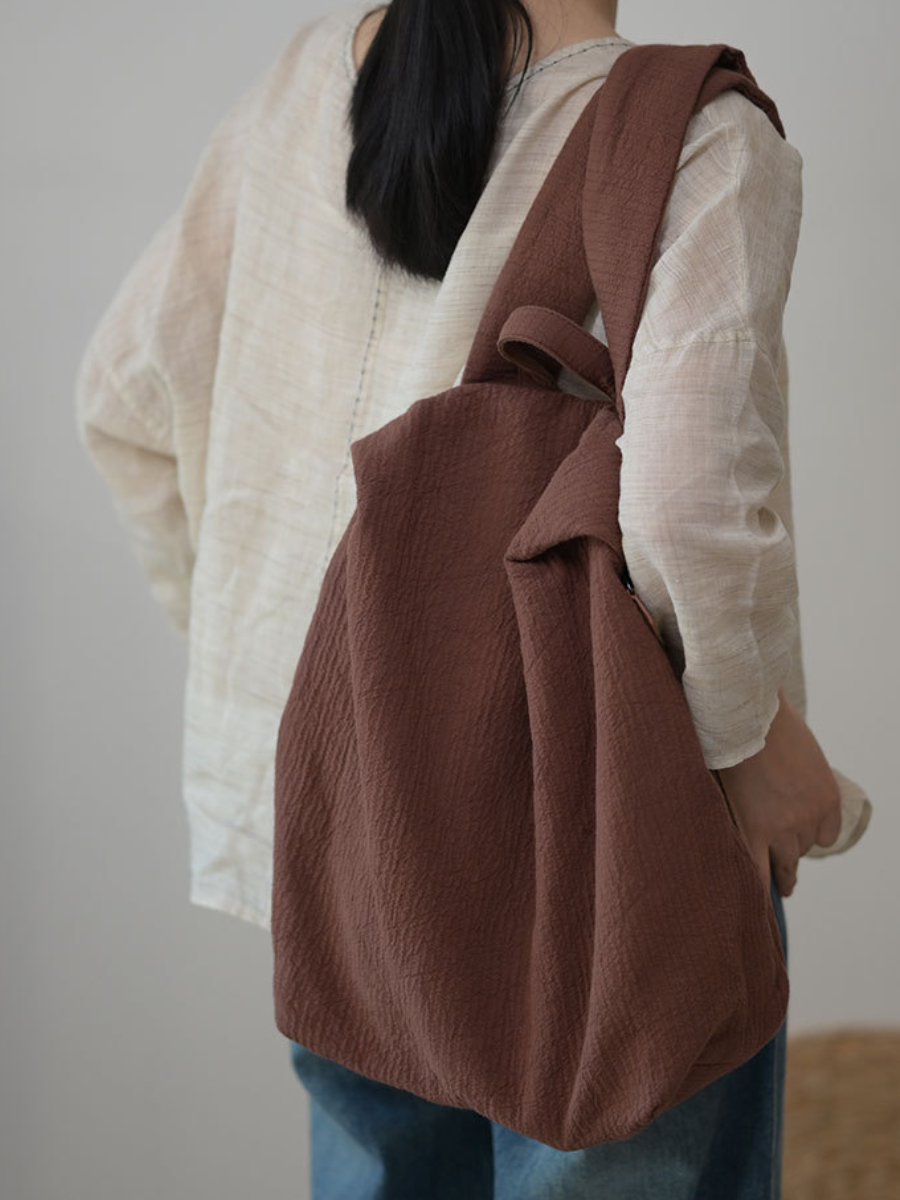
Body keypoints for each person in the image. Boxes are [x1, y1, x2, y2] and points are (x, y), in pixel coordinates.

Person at [75, 0, 865, 1194]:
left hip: (338, 848)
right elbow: (684, 511)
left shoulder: (309, 81)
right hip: (592, 855)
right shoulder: (698, 139)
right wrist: (746, 742)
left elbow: (123, 396)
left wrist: (298, 694)